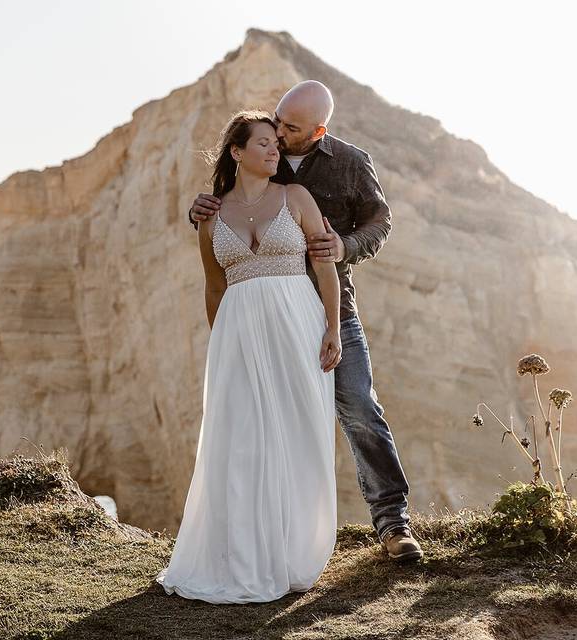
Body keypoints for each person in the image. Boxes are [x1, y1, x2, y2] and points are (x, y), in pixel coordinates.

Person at [188, 81, 423, 562]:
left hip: (331, 307)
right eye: (276, 119)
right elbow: (227, 215)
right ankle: (267, 535)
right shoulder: (260, 151)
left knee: (357, 404)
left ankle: (392, 522)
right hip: (264, 317)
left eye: (290, 128)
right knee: (264, 419)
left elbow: (380, 220)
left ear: (320, 131)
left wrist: (345, 247)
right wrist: (199, 210)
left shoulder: (351, 163)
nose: (278, 132)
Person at [156, 110, 342, 604]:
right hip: (237, 333)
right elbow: (213, 286)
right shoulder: (210, 216)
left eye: (276, 144)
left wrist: (333, 329)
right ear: (236, 152)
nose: (273, 150)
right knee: (242, 440)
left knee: (298, 432)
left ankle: (293, 551)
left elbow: (324, 267)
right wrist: (221, 344)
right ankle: (243, 554)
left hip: (298, 326)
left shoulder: (295, 197)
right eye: (262, 143)